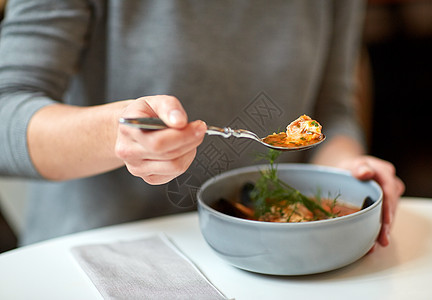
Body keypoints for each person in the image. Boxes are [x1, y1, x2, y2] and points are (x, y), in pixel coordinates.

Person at [0, 0, 404, 246]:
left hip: (271, 255)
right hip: (100, 254)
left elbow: (330, 108)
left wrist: (347, 169)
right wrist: (118, 133)